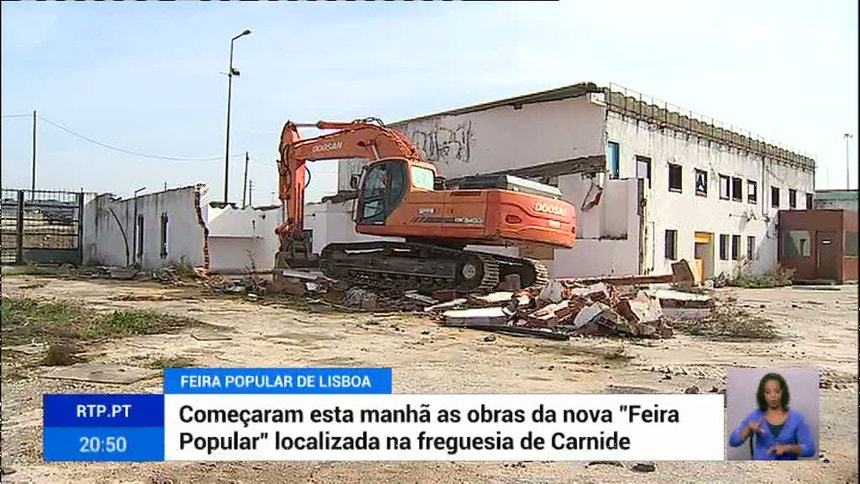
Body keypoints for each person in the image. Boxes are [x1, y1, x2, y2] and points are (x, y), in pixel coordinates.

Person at [729, 372, 817, 460]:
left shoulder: (797, 417)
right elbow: (733, 442)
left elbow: (810, 449)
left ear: (783, 392)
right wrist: (748, 429)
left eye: (777, 391)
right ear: (763, 395)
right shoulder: (755, 416)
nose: (773, 396)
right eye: (767, 392)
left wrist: (788, 448)